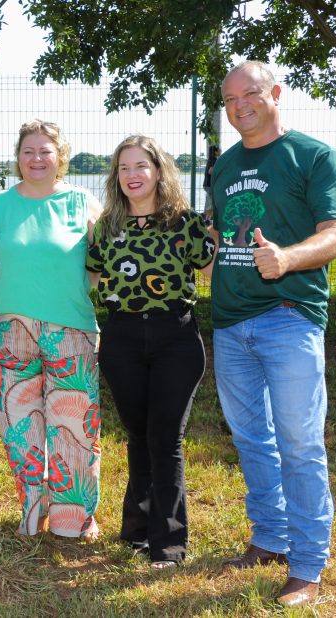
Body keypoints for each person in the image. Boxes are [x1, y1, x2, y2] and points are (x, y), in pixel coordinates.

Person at [211, 61, 336, 607]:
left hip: (289, 318)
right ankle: (269, 537)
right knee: (251, 439)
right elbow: (225, 235)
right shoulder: (223, 167)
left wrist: (287, 258)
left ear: (275, 93)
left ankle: (309, 563)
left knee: (300, 443)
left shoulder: (313, 156)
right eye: (229, 100)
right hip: (228, 322)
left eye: (249, 94)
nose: (239, 106)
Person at [87, 135, 215, 569]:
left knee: (165, 438)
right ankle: (137, 529)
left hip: (174, 338)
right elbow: (86, 278)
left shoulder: (185, 222)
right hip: (121, 338)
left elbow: (214, 267)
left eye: (140, 166)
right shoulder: (107, 226)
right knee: (138, 435)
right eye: (123, 168)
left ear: (159, 170)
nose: (132, 175)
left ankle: (170, 544)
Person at [0, 119, 103, 540]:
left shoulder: (83, 203)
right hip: (9, 330)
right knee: (20, 426)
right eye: (28, 151)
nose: (36, 159)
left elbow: (104, 262)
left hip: (70, 329)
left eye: (45, 151)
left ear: (61, 157)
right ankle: (33, 510)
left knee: (74, 429)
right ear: (18, 158)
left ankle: (75, 518)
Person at [203, 144, 221, 220]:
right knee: (211, 204)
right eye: (219, 150)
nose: (220, 151)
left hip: (206, 184)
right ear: (215, 152)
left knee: (209, 202)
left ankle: (207, 219)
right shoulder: (214, 160)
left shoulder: (210, 159)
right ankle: (208, 220)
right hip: (210, 185)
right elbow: (211, 171)